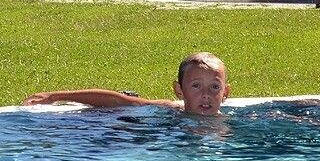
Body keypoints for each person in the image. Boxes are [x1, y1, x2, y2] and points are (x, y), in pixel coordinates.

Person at [23, 51, 231, 116]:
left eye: (214, 87)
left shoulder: (233, 124)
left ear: (225, 93)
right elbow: (118, 100)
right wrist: (56, 96)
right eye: (196, 86)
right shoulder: (171, 110)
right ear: (179, 90)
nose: (206, 94)